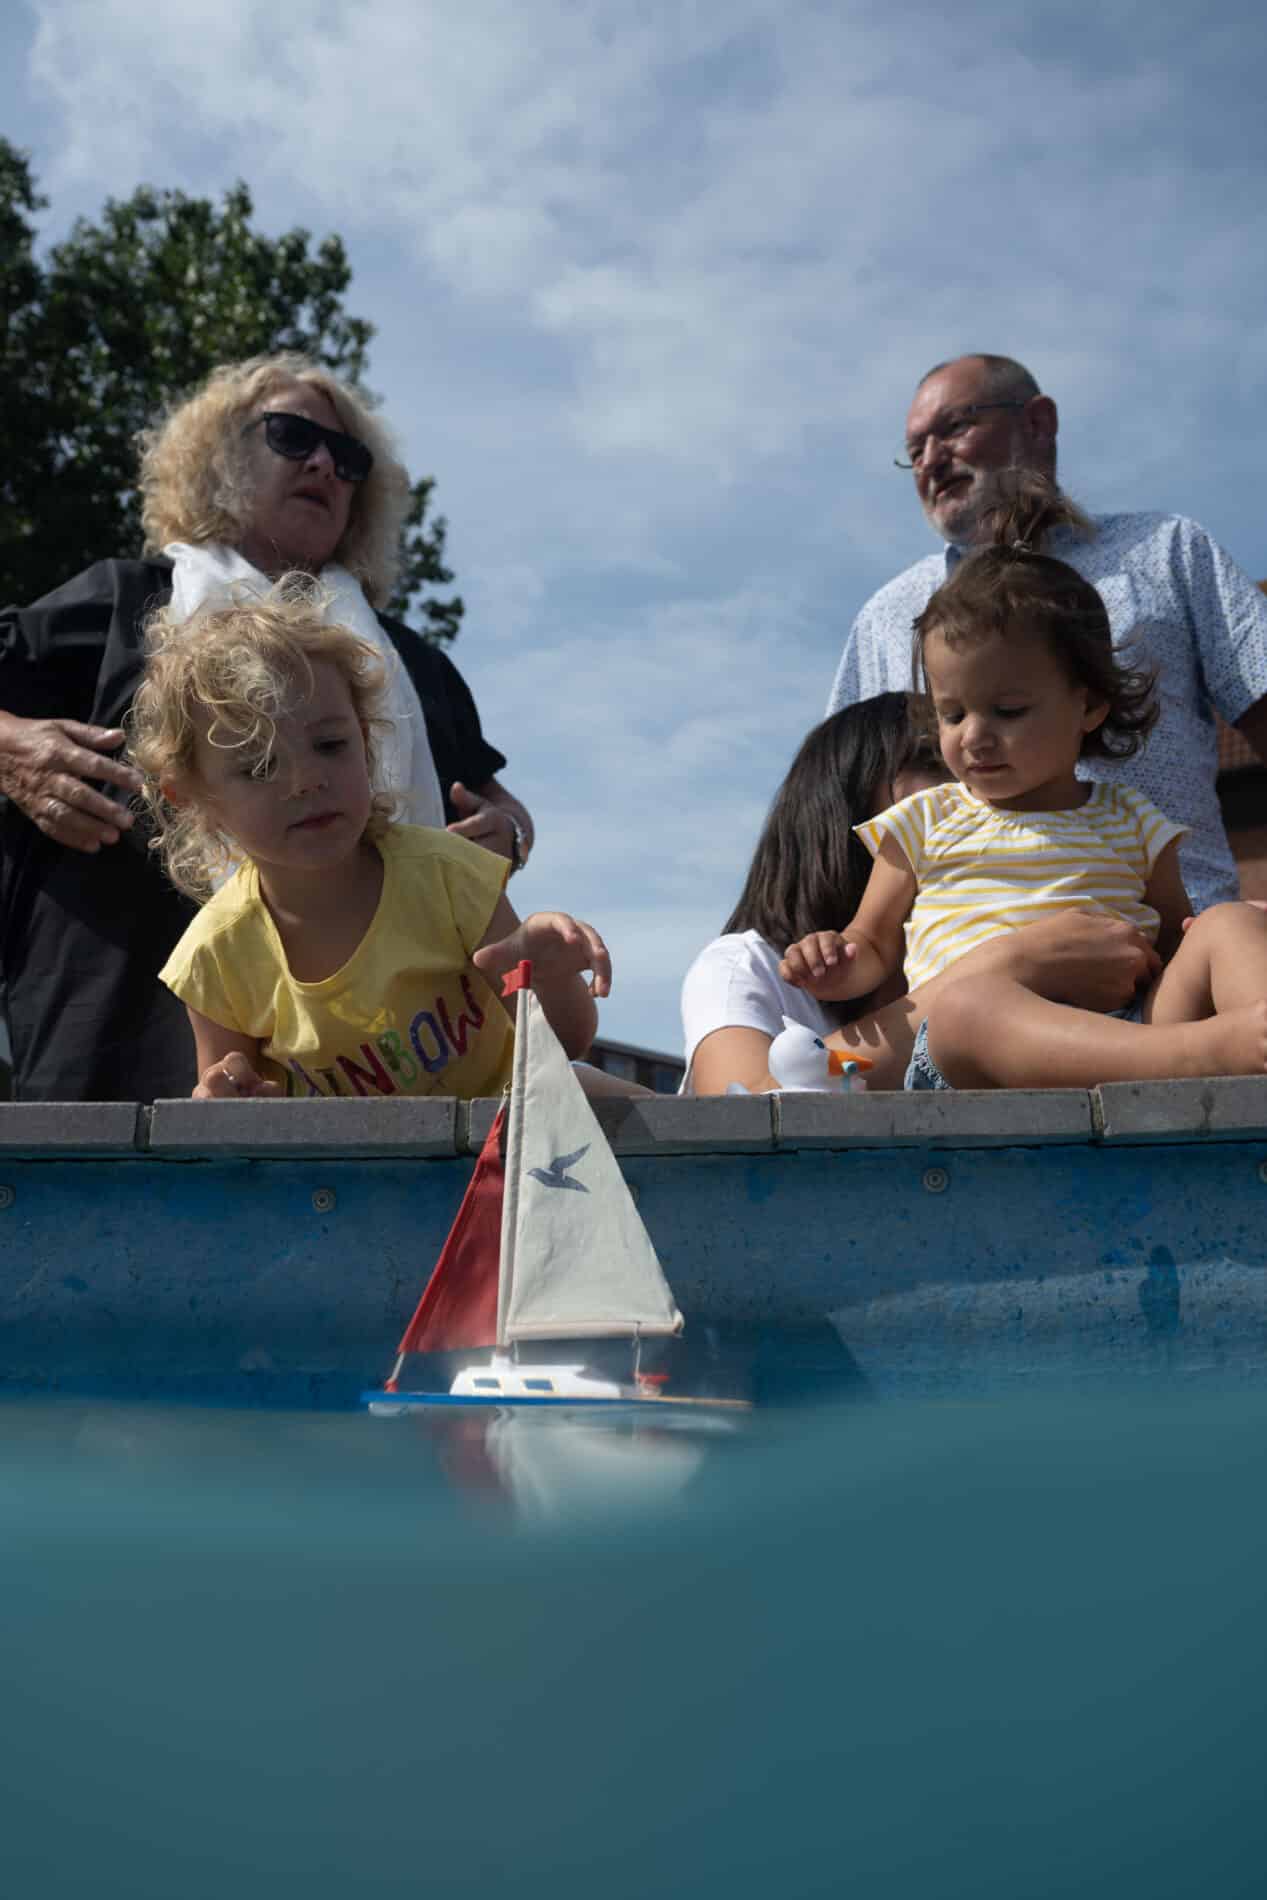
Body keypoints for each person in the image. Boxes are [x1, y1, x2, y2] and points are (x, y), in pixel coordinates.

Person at [0, 353, 532, 1103]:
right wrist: (10, 748)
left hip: (407, 1081)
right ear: (218, 454)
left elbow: (496, 804)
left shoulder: (408, 659)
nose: (323, 462)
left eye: (348, 456)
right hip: (112, 1054)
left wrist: (508, 836)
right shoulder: (123, 600)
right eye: (290, 435)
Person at [787, 479, 1267, 1089]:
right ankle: (1208, 1054)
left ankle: (1252, 1052)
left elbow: (1174, 941)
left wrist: (1216, 944)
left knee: (1228, 923)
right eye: (953, 713)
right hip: (984, 1050)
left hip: (1136, 1028)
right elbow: (873, 945)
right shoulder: (923, 820)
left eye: (1008, 712)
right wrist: (838, 962)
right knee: (965, 1005)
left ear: (1089, 705)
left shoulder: (1134, 820)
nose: (974, 737)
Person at [129, 581, 603, 1101]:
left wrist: (548, 973)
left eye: (330, 744)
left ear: (366, 739)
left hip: (502, 1154)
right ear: (193, 800)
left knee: (612, 1098)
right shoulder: (215, 958)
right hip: (348, 1179)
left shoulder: (449, 876)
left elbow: (567, 1046)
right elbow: (226, 1118)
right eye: (260, 765)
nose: (306, 780)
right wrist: (230, 1104)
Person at [827, 352, 1267, 912]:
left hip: (1179, 942)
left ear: (1037, 422)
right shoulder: (885, 618)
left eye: (953, 428)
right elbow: (835, 809)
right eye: (914, 452)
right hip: (968, 962)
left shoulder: (1169, 551)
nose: (931, 461)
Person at [681, 690, 1164, 1094]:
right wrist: (1009, 965)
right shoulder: (744, 969)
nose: (975, 796)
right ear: (841, 812)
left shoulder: (955, 942)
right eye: (936, 761)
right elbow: (749, 1115)